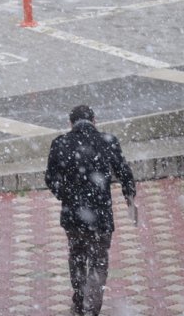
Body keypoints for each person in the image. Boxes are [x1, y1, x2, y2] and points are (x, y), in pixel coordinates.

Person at [45, 105, 136, 316]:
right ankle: (91, 308)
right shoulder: (108, 141)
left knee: (77, 256)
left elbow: (51, 179)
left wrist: (66, 195)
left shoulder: (60, 143)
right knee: (98, 260)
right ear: (94, 120)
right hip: (101, 215)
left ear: (71, 123)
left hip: (73, 215)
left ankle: (78, 301)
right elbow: (124, 172)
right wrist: (129, 196)